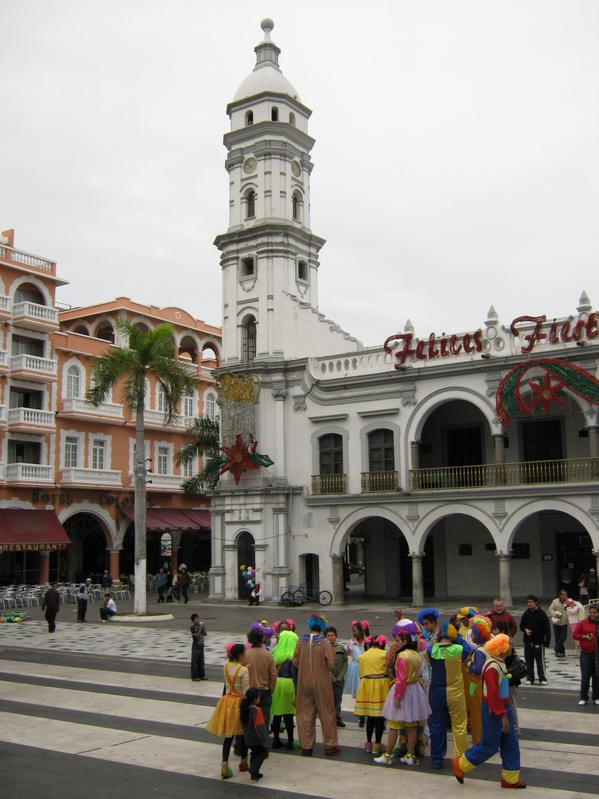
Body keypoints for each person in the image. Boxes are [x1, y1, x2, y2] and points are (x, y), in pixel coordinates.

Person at [453, 634, 526, 789]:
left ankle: (510, 778)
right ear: (502, 648)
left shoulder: (500, 663)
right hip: (494, 710)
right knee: (489, 745)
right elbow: (492, 695)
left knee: (511, 743)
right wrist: (503, 716)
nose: (511, 647)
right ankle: (461, 764)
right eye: (509, 644)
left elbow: (502, 685)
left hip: (503, 706)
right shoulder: (492, 666)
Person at [376, 623, 431, 767]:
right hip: (415, 690)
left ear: (405, 641)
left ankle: (388, 755)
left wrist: (397, 697)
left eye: (399, 640)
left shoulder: (402, 656)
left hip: (404, 691)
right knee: (411, 725)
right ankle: (409, 754)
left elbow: (400, 679)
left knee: (394, 724)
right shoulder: (416, 655)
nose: (397, 643)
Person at [293, 614, 340, 756]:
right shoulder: (325, 642)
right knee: (327, 712)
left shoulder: (301, 641)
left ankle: (306, 746)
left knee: (304, 712)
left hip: (304, 681)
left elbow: (295, 661)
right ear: (321, 627)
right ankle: (330, 746)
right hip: (321, 682)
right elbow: (331, 664)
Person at [427, 621, 471, 769]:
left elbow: (428, 650)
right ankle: (460, 759)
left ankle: (437, 758)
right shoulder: (459, 649)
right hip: (456, 692)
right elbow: (468, 647)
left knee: (437, 725)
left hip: (437, 692)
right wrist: (457, 636)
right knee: (459, 725)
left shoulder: (431, 651)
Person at [206, 642, 249, 779]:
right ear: (240, 655)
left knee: (228, 736)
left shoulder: (225, 666)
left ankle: (224, 766)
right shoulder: (244, 670)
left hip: (227, 702)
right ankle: (243, 763)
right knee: (242, 734)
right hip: (239, 703)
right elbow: (245, 692)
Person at [354, 635, 390, 754]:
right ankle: (377, 745)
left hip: (367, 686)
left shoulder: (362, 656)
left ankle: (368, 743)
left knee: (370, 716)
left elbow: (361, 673)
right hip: (381, 686)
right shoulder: (384, 654)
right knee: (380, 717)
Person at [465, 615, 493, 746]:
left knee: (477, 711)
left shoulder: (479, 651)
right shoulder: (489, 647)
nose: (471, 637)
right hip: (485, 684)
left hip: (476, 684)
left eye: (473, 635)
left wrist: (470, 665)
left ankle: (478, 739)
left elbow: (478, 669)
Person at [243, 625, 277, 731]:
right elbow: (273, 675)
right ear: (262, 639)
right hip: (264, 692)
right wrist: (271, 688)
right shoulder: (268, 655)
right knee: (264, 722)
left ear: (249, 639)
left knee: (248, 722)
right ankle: (263, 744)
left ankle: (249, 743)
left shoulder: (245, 655)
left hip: (249, 692)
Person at [271, 628, 299, 749]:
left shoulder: (275, 654)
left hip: (277, 685)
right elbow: (295, 676)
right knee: (288, 715)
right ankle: (290, 741)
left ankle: (276, 739)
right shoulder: (293, 657)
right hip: (289, 685)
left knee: (277, 715)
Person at [519, 594, 551, 685]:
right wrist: (525, 630)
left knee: (540, 661)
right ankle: (530, 678)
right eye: (528, 602)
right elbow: (521, 625)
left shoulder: (541, 614)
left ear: (535, 603)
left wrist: (546, 642)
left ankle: (542, 678)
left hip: (538, 642)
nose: (529, 604)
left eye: (531, 602)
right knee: (529, 661)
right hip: (528, 641)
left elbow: (547, 629)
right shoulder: (526, 613)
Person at [573, 603, 599, 706]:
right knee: (585, 676)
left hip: (597, 654)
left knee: (597, 676)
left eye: (595, 613)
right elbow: (575, 635)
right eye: (591, 612)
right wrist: (584, 637)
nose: (593, 614)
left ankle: (596, 697)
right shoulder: (583, 623)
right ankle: (583, 697)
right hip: (586, 654)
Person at [240, 687, 269, 782]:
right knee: (262, 753)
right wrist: (264, 741)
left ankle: (255, 774)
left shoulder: (245, 708)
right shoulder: (257, 710)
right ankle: (253, 770)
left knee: (255, 753)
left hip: (247, 738)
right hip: (256, 738)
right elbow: (261, 728)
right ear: (255, 699)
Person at [345, 619, 370, 727]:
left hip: (366, 669)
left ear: (361, 631)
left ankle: (367, 714)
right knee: (359, 694)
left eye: (355, 631)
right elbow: (346, 652)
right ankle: (361, 716)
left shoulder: (368, 642)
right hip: (355, 670)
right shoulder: (351, 643)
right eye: (353, 631)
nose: (354, 633)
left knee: (367, 693)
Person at [325, 626, 348, 727]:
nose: (331, 637)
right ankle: (328, 720)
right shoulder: (322, 649)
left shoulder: (341, 648)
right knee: (327, 701)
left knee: (338, 700)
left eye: (332, 635)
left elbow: (345, 662)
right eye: (328, 636)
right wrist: (332, 677)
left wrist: (339, 677)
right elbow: (322, 665)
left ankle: (337, 718)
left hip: (339, 680)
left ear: (336, 636)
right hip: (327, 680)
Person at [548, 589, 569, 658]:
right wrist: (555, 614)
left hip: (564, 622)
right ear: (560, 595)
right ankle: (560, 652)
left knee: (563, 636)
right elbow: (550, 609)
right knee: (557, 638)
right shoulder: (555, 601)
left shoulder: (569, 601)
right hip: (556, 622)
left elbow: (574, 606)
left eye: (566, 595)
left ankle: (556, 648)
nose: (565, 596)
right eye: (563, 595)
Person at [190, 613, 207, 680]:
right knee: (195, 662)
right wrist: (200, 628)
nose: (197, 620)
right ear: (193, 620)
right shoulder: (193, 627)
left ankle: (201, 675)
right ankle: (194, 676)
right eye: (196, 619)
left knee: (201, 662)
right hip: (196, 646)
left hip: (201, 646)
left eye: (198, 618)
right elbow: (196, 636)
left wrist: (203, 627)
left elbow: (205, 634)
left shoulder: (200, 626)